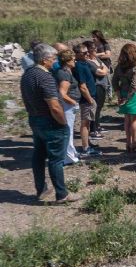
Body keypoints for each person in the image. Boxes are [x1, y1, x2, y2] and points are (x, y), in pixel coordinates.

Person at [20, 44, 78, 203]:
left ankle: (41, 188)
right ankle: (62, 194)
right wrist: (63, 122)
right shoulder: (45, 77)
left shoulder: (27, 74)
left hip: (35, 119)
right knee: (56, 159)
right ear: (45, 60)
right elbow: (54, 105)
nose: (55, 62)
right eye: (53, 59)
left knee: (38, 155)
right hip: (50, 122)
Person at [112, 44, 136, 153]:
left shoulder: (119, 66)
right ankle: (134, 143)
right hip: (133, 95)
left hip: (123, 93)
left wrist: (119, 95)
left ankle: (128, 143)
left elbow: (114, 81)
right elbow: (134, 85)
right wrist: (128, 98)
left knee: (127, 119)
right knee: (135, 120)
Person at [73, 44, 101, 157]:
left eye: (87, 52)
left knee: (88, 123)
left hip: (90, 97)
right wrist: (89, 100)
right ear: (77, 54)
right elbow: (82, 86)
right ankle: (85, 148)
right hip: (87, 99)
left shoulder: (84, 63)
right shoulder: (79, 66)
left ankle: (87, 144)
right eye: (84, 53)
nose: (87, 54)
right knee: (85, 123)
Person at [54, 50, 81, 165]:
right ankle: (68, 157)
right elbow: (62, 93)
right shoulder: (64, 74)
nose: (74, 60)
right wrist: (74, 102)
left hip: (68, 105)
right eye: (72, 59)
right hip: (67, 105)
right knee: (68, 130)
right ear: (67, 61)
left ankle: (71, 153)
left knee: (68, 130)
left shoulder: (66, 71)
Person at [83, 40, 109, 138]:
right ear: (88, 51)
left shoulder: (97, 59)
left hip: (102, 85)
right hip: (96, 86)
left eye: (95, 48)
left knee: (99, 107)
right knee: (95, 108)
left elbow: (107, 68)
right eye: (93, 49)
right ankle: (93, 129)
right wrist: (103, 69)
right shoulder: (88, 62)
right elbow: (101, 73)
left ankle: (97, 125)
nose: (95, 50)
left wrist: (103, 69)